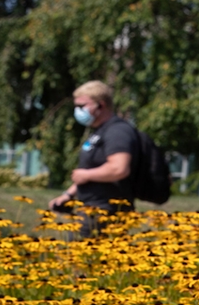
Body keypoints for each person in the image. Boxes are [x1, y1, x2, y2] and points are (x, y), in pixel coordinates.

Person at [48, 80, 137, 236]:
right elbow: (91, 172)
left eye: (82, 106)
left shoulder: (117, 131)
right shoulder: (98, 131)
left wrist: (86, 174)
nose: (78, 111)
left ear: (100, 105)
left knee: (77, 257)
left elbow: (119, 168)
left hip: (106, 211)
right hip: (90, 208)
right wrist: (68, 195)